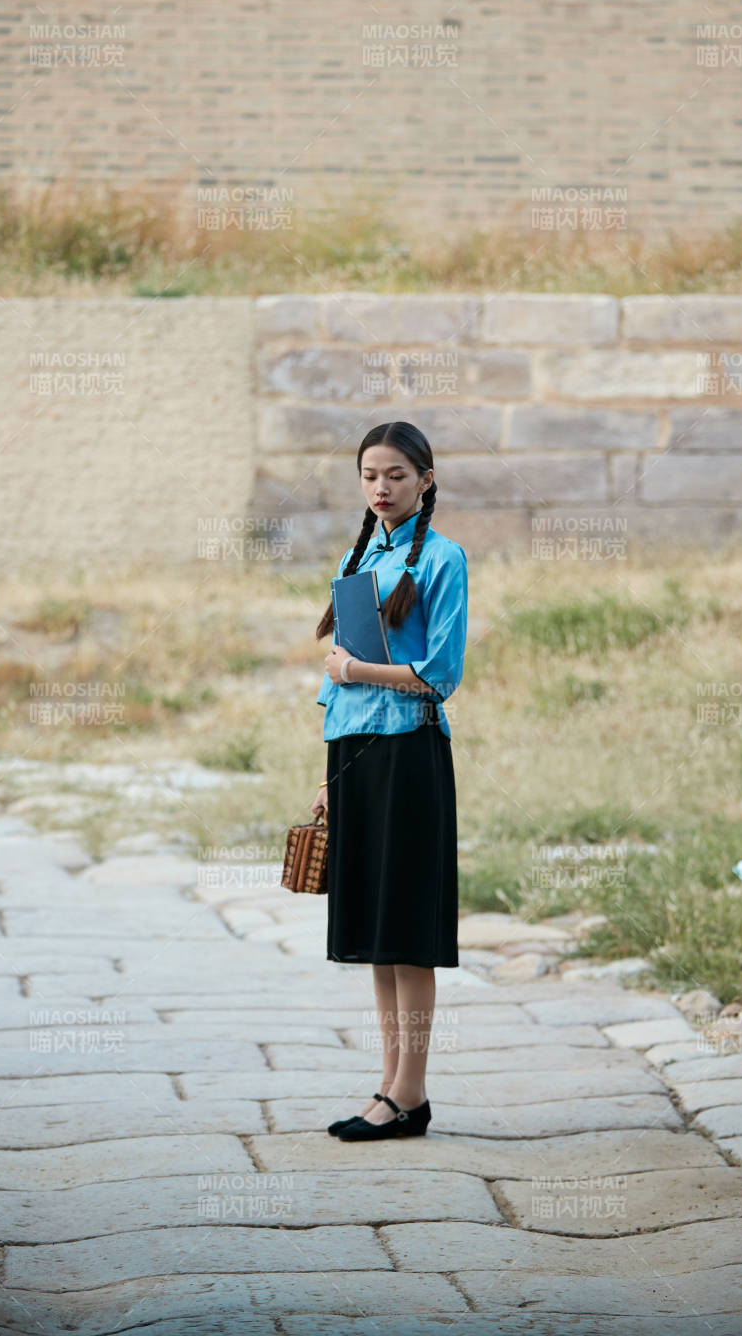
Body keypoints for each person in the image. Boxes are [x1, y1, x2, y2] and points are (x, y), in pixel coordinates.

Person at [312, 420, 468, 1141]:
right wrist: (325, 778)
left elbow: (439, 677)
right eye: (371, 475)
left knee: (407, 932)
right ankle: (386, 1086)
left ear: (425, 480)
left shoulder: (443, 559)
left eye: (397, 475)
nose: (381, 487)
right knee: (377, 936)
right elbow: (333, 686)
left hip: (409, 756)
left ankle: (410, 1094)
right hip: (354, 754)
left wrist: (354, 671)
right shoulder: (358, 557)